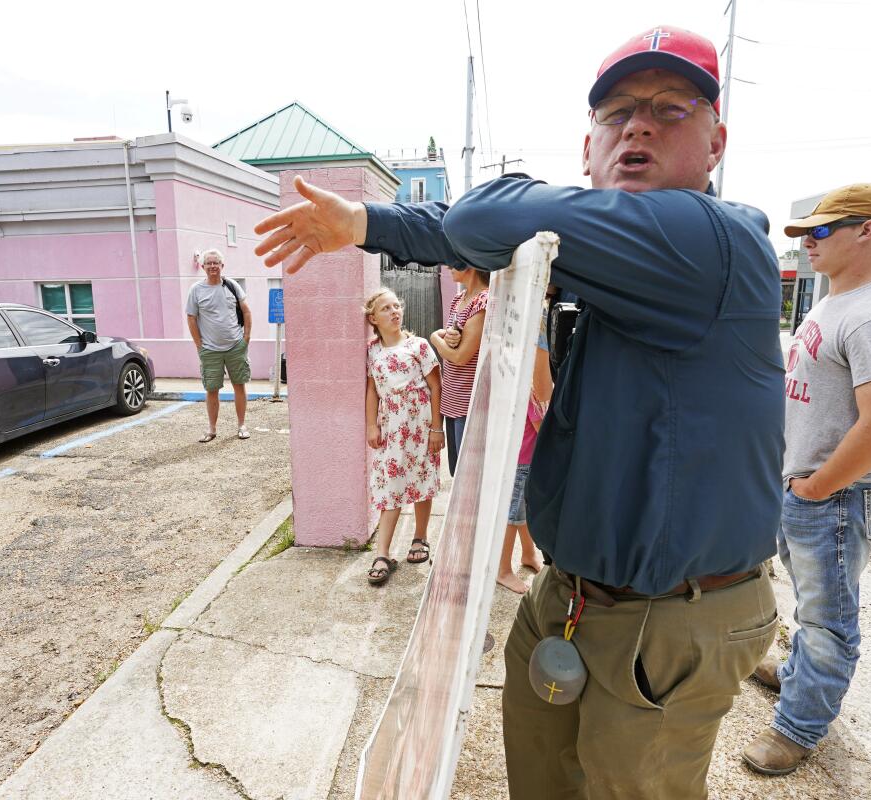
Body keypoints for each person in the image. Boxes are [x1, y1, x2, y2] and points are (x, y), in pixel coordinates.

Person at [254, 25, 784, 800]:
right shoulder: (610, 256)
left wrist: (477, 205)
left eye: (672, 108)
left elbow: (493, 222)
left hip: (668, 618)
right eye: (616, 112)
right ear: (589, 148)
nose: (637, 124)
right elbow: (481, 236)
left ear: (716, 142)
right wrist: (365, 224)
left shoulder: (711, 242)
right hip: (573, 595)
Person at [741, 184, 871, 776]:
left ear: (867, 230)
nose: (807, 244)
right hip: (808, 486)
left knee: (828, 618)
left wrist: (815, 487)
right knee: (812, 602)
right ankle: (799, 676)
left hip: (836, 495)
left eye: (820, 232)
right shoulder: (833, 302)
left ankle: (798, 727)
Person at [363, 288, 445, 585]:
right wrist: (371, 425)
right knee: (390, 486)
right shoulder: (372, 350)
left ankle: (420, 537)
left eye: (397, 306)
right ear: (373, 318)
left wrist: (437, 428)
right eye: (386, 308)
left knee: (422, 479)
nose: (394, 311)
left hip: (420, 423)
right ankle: (382, 553)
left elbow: (436, 387)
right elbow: (372, 390)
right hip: (391, 426)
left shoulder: (419, 346)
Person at [497, 319, 552, 594]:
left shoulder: (519, 376)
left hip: (519, 455)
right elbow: (540, 423)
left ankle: (528, 554)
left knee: (520, 510)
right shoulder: (530, 385)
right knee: (512, 512)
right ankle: (502, 569)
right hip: (522, 457)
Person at [185, 249, 253, 442]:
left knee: (239, 386)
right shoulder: (196, 290)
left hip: (235, 347)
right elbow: (191, 318)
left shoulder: (232, 286)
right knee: (211, 389)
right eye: (209, 263)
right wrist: (200, 345)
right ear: (203, 266)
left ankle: (241, 425)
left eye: (216, 263)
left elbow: (246, 312)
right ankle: (212, 429)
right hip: (210, 350)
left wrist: (245, 339)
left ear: (222, 266)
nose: (213, 266)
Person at [428, 266, 489, 475]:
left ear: (469, 265)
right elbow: (454, 337)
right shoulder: (460, 298)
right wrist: (446, 335)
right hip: (452, 402)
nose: (447, 267)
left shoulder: (483, 302)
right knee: (458, 474)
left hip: (469, 404)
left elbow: (460, 357)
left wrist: (435, 338)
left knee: (468, 477)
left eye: (452, 263)